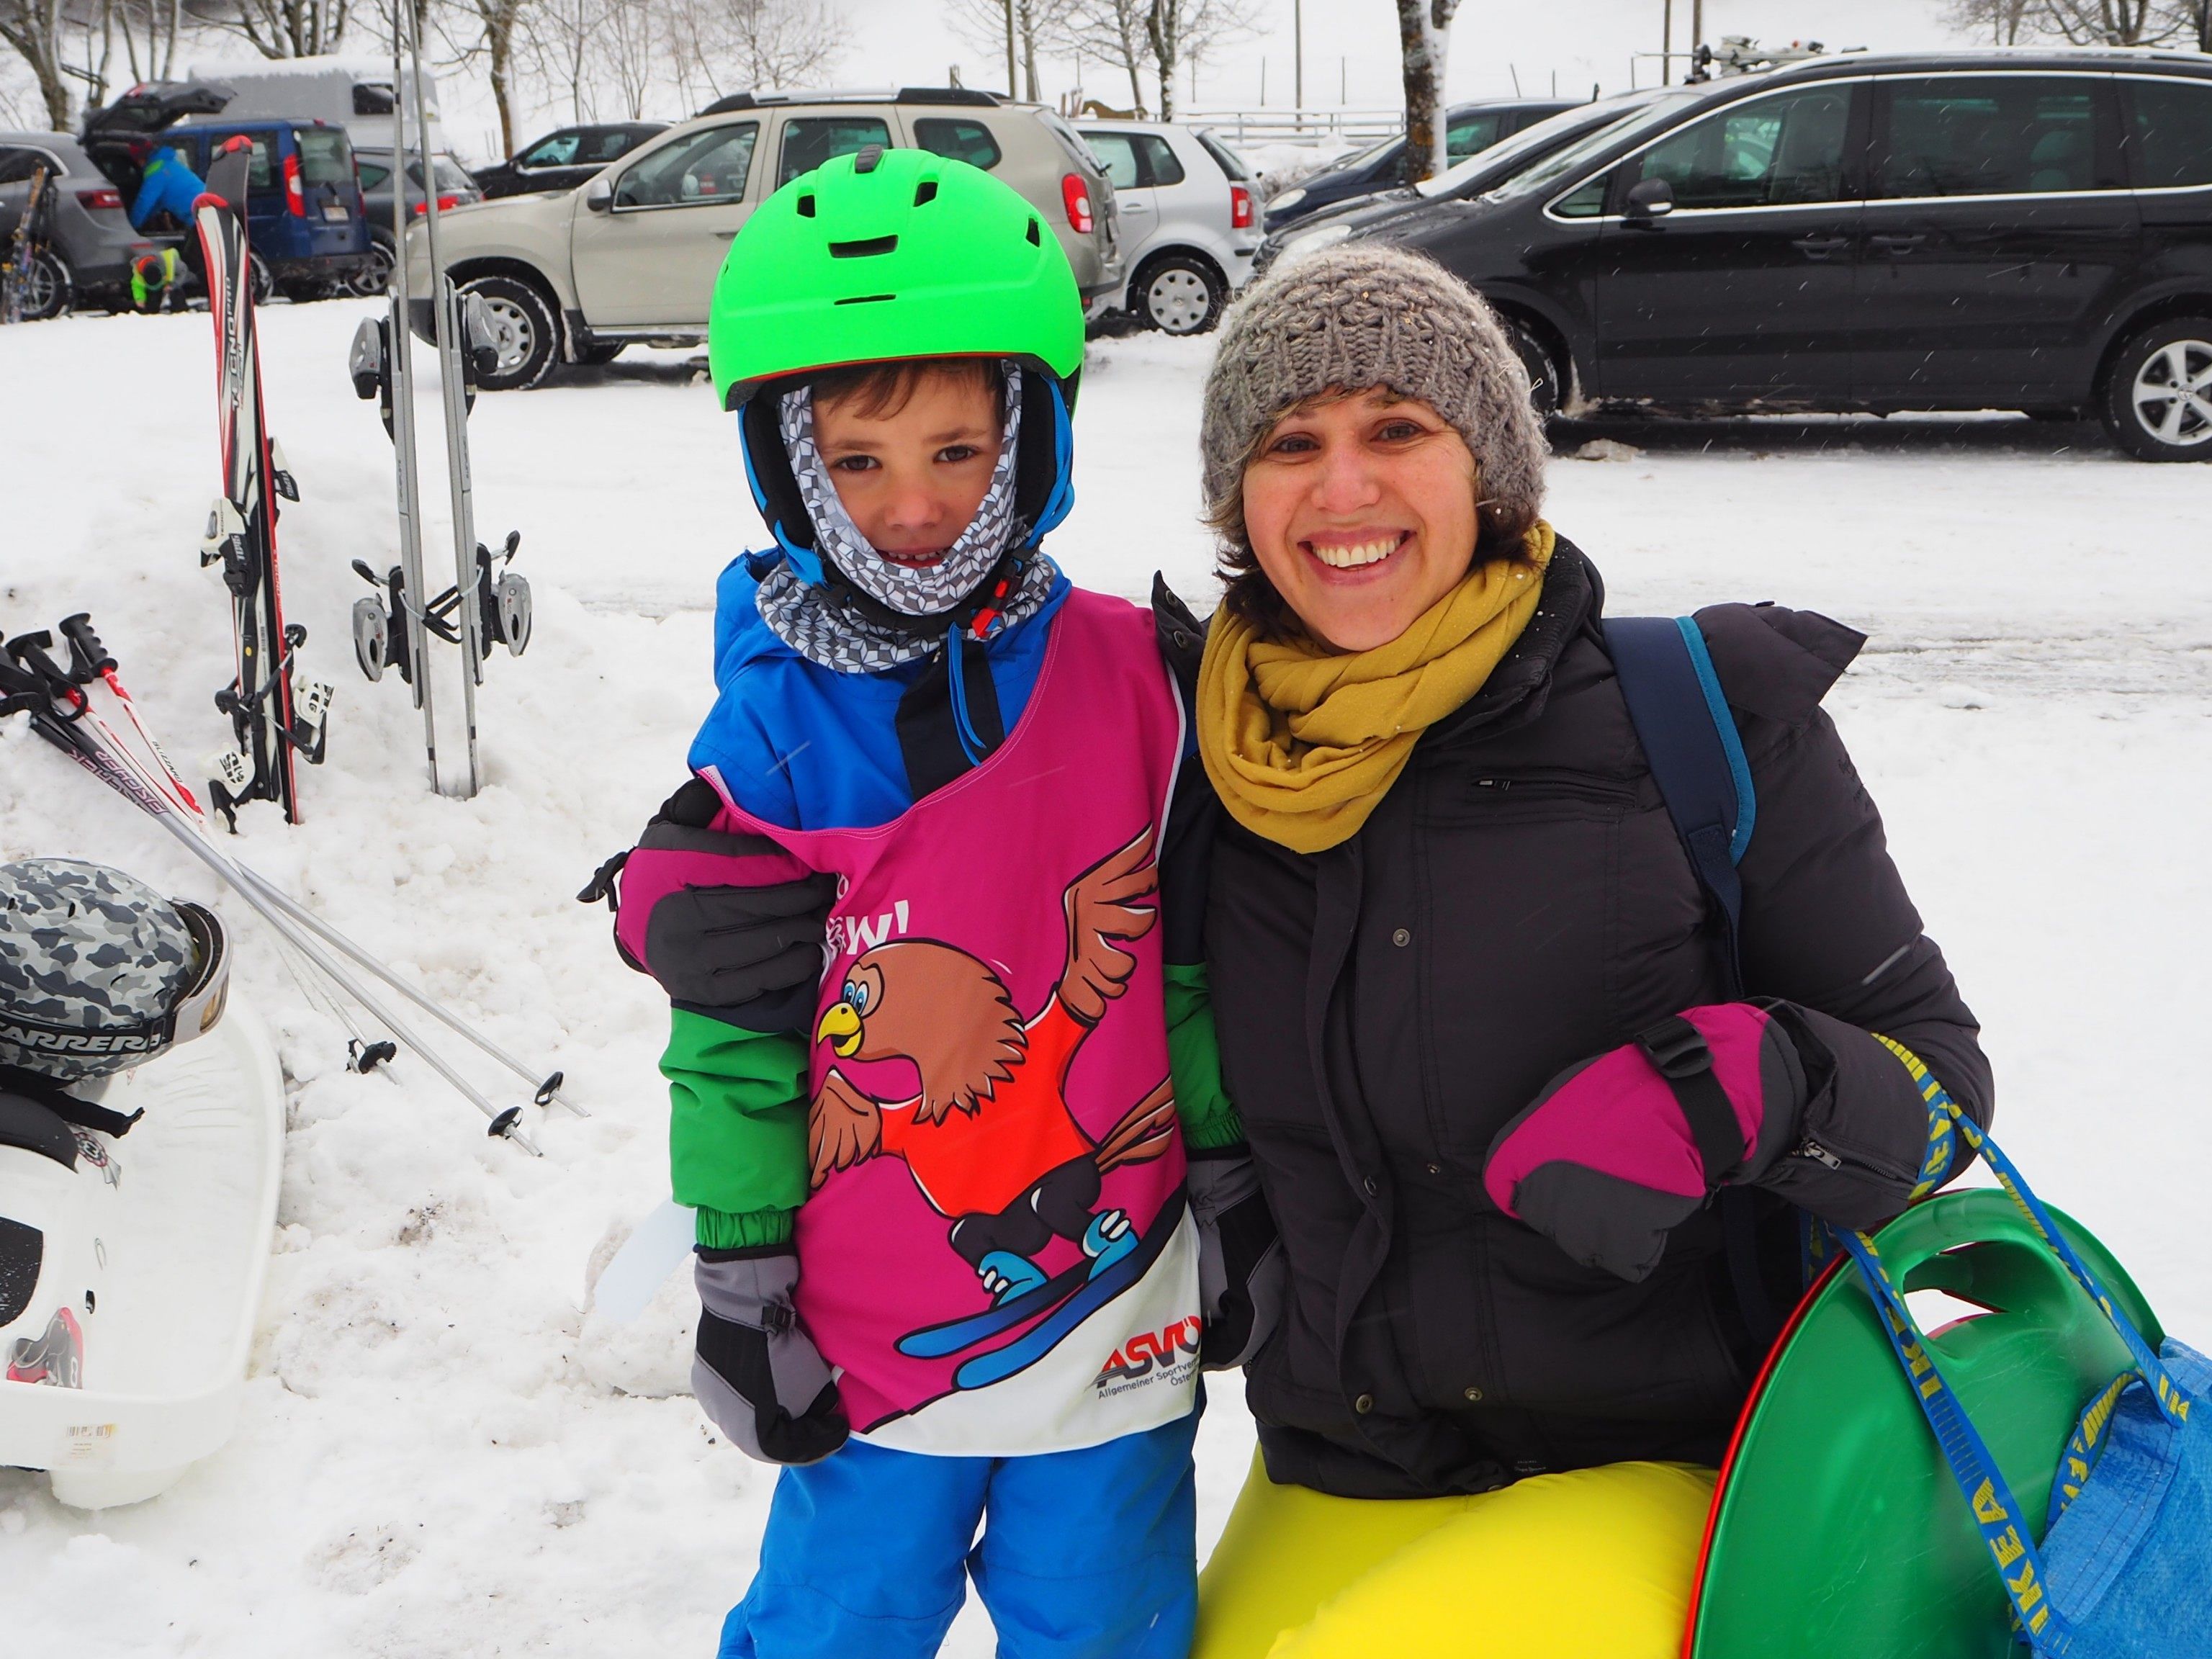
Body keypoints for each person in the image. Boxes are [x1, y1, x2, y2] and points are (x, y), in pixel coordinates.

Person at [1180, 243, 1994, 1658]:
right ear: (1240, 500)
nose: (1344, 487)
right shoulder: (1211, 763)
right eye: (1290, 442)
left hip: (1675, 1462)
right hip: (1352, 1451)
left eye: (1399, 429)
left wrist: (1735, 1085)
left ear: (1491, 469)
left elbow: (1941, 1092)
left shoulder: (1702, 718)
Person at [597, 145, 1277, 1659]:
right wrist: (742, 1260)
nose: (912, 506)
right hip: (874, 1313)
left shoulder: (1135, 680)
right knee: (846, 1616)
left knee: (1103, 1617)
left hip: (1115, 1293)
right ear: (789, 461)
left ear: (1030, 438)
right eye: (859, 462)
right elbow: (738, 1027)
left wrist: (1229, 1174)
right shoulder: (778, 732)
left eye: (959, 453)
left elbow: (1182, 966)